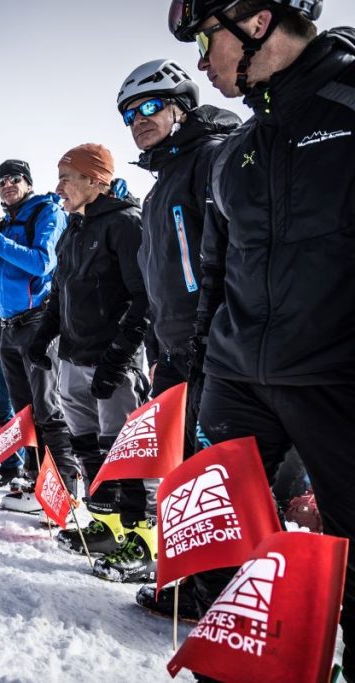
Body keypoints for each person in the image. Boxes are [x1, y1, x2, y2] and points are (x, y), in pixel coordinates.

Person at [169, 0, 355, 672]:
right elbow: (216, 273)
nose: (202, 63)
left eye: (205, 40)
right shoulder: (234, 151)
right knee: (219, 556)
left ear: (255, 20)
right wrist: (200, 368)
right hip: (237, 377)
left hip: (336, 379)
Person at [115, 57, 241, 617]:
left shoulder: (210, 158)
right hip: (173, 347)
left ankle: (224, 591)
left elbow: (231, 250)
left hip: (215, 341)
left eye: (150, 106)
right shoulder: (160, 185)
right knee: (184, 467)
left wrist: (215, 329)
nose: (138, 120)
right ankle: (201, 582)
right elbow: (157, 280)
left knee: (214, 469)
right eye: (129, 115)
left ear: (181, 108)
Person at [30, 144, 153, 582]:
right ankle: (107, 526)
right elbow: (59, 293)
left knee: (125, 450)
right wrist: (44, 335)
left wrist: (118, 358)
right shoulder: (73, 229)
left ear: (95, 181)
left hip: (112, 361)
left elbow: (144, 298)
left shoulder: (125, 223)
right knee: (88, 446)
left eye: (67, 177)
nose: (59, 186)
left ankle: (143, 539)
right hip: (73, 358)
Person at [0, 160, 75, 511]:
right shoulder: (5, 224)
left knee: (47, 408)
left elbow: (43, 262)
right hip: (9, 328)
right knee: (25, 413)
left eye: (14, 178)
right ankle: (37, 481)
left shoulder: (45, 211)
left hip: (40, 321)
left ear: (27, 182)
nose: (7, 185)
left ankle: (65, 489)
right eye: (1, 182)